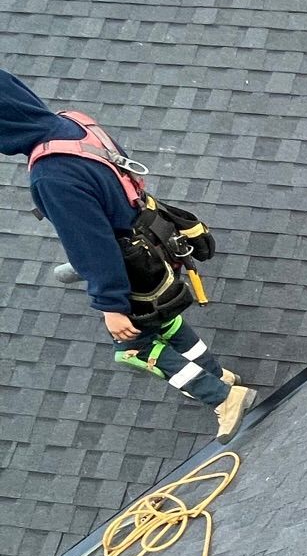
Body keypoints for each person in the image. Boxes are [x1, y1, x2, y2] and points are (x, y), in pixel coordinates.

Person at [1, 68, 255, 439]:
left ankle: (221, 397)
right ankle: (217, 373)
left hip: (129, 265)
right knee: (164, 321)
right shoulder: (73, 124)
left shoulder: (51, 175)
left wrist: (111, 306)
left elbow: (93, 245)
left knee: (134, 345)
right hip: (153, 240)